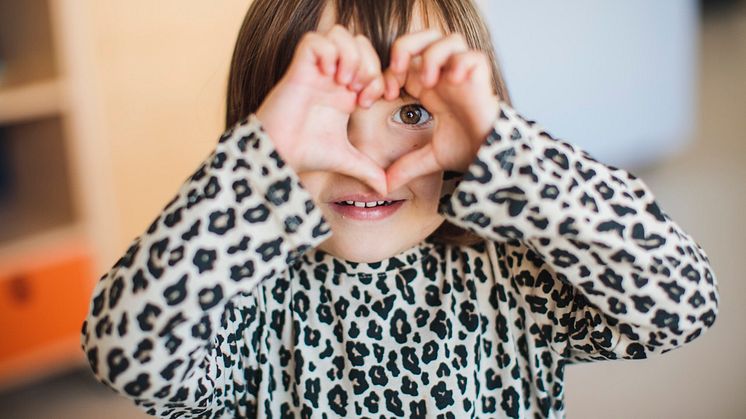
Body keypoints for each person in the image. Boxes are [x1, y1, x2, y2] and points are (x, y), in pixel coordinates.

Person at [80, 0, 720, 417]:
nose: (365, 157)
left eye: (413, 113)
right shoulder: (239, 298)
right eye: (327, 115)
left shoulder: (513, 276)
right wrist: (262, 170)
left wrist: (511, 157)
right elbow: (126, 350)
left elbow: (681, 304)